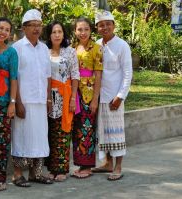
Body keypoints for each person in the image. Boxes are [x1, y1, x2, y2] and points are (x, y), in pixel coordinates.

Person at [11, 9, 53, 187]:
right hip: (24, 102)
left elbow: (48, 75)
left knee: (40, 138)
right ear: (24, 28)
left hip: (40, 101)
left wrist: (49, 99)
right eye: (32, 26)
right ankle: (17, 175)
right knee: (21, 137)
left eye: (39, 25)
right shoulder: (17, 48)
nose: (36, 29)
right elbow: (14, 77)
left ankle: (36, 174)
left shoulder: (44, 48)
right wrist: (17, 102)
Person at [92, 10, 133, 181]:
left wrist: (120, 96)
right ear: (97, 28)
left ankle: (118, 166)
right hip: (99, 96)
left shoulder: (122, 45)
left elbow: (127, 72)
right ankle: (107, 163)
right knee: (102, 132)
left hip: (115, 97)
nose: (105, 27)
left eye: (108, 24)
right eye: (101, 25)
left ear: (114, 25)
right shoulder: (96, 44)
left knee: (116, 133)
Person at [44, 21, 80, 182]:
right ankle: (52, 168)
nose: (57, 35)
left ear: (63, 34)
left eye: (59, 31)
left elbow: (75, 75)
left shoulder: (70, 52)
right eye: (54, 32)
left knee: (64, 133)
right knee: (51, 132)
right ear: (49, 35)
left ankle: (62, 169)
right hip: (49, 96)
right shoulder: (44, 52)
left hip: (66, 96)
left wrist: (73, 97)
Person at [71, 17, 103, 179]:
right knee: (78, 130)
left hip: (89, 95)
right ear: (75, 31)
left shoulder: (97, 48)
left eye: (86, 29)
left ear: (91, 30)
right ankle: (81, 164)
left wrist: (95, 99)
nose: (82, 33)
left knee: (88, 130)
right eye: (79, 29)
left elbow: (98, 76)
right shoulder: (73, 48)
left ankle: (88, 166)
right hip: (75, 93)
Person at [0, 17, 18, 191]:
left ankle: (0, 178)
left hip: (3, 102)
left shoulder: (11, 52)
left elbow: (14, 79)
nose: (3, 32)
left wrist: (12, 103)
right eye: (1, 28)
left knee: (1, 141)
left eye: (7, 29)